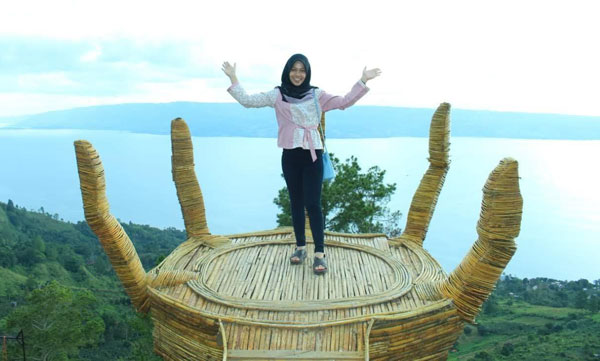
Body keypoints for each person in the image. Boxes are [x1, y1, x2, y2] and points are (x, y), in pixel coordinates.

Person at [222, 53, 380, 275]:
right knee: (296, 202)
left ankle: (320, 253)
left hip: (313, 155)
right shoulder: (278, 94)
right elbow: (248, 101)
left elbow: (344, 102)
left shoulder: (316, 95)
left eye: (302, 70)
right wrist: (233, 78)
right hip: (290, 156)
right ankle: (300, 247)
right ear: (288, 71)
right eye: (294, 70)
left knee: (313, 204)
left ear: (307, 73)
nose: (298, 74)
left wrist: (362, 81)